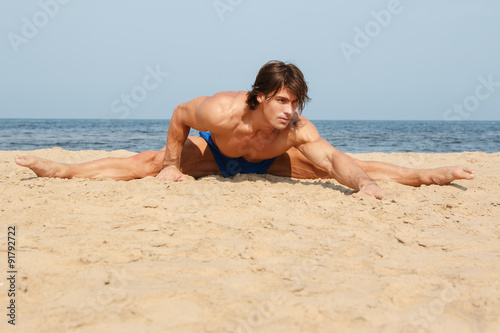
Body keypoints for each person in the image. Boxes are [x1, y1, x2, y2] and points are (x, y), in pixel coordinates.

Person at [15, 61, 474, 199]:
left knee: (345, 167)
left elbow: (334, 158)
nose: (290, 110)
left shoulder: (295, 128)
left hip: (268, 159)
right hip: (216, 151)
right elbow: (178, 114)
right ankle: (59, 170)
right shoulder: (220, 112)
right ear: (260, 96)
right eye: (282, 100)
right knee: (148, 162)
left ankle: (423, 174)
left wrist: (365, 184)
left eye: (295, 103)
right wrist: (174, 165)